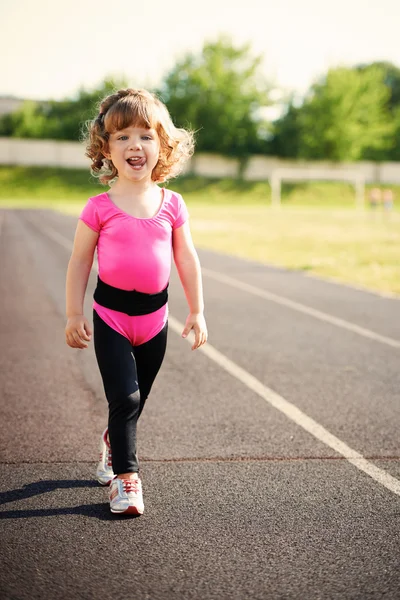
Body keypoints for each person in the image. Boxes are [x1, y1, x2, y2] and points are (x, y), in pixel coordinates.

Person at [65, 88, 208, 516]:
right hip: (110, 315)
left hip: (155, 319)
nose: (134, 145)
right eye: (122, 136)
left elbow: (186, 257)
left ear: (162, 145)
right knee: (124, 400)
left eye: (145, 136)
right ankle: (127, 480)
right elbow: (78, 262)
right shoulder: (99, 208)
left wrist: (197, 310)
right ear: (106, 148)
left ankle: (113, 441)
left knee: (137, 398)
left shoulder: (172, 204)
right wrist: (74, 312)